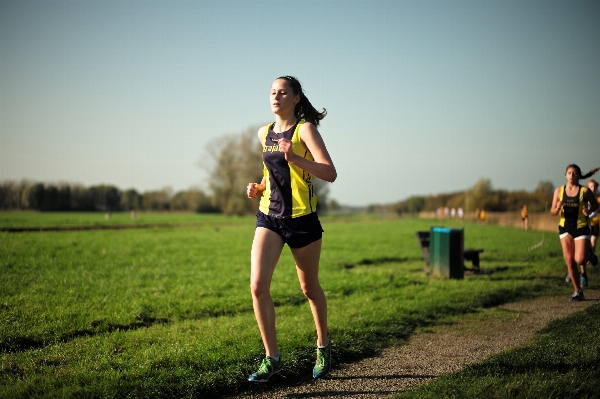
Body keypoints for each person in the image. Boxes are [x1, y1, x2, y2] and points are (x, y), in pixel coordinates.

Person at [246, 76, 337, 382]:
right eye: (273, 92)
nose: (276, 96)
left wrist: (295, 157)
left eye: (283, 92)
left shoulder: (305, 130)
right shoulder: (264, 132)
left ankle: (323, 346)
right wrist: (259, 187)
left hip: (302, 219)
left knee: (309, 289)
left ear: (296, 98)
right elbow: (271, 172)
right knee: (258, 286)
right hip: (269, 217)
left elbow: (330, 172)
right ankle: (272, 358)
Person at [551, 165, 599, 301]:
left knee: (580, 260)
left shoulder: (585, 191)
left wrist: (588, 212)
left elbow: (595, 205)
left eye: (575, 173)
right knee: (570, 261)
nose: (572, 176)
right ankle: (578, 291)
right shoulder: (558, 191)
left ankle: (588, 254)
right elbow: (552, 212)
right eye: (569, 173)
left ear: (579, 176)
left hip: (581, 227)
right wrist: (557, 207)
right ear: (565, 175)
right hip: (565, 228)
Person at [586, 179, 599, 274]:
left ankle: (591, 258)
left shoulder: (598, 200)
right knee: (587, 244)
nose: (593, 188)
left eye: (594, 186)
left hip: (595, 224)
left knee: (593, 243)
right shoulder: (585, 199)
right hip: (586, 225)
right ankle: (588, 256)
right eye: (591, 186)